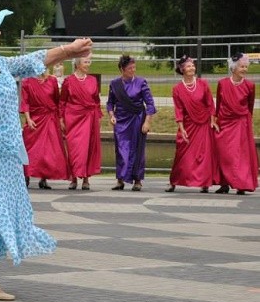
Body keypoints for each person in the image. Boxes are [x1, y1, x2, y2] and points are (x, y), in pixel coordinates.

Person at [0, 5, 92, 301]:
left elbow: (35, 60)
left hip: (6, 152)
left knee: (3, 211)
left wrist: (69, 50)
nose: (2, 31)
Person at [166, 55, 219, 193]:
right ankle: (174, 181)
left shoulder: (203, 83)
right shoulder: (177, 89)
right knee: (182, 154)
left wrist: (213, 120)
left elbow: (210, 103)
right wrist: (181, 127)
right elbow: (178, 109)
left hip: (204, 123)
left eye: (193, 65)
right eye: (189, 66)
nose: (192, 68)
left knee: (204, 154)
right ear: (182, 69)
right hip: (188, 124)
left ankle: (204, 183)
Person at [106, 55, 156, 191]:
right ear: (122, 69)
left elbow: (150, 104)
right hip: (121, 121)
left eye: (134, 67)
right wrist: (111, 116)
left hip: (137, 119)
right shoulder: (114, 84)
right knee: (121, 150)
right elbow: (110, 103)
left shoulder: (141, 82)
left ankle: (137, 180)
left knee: (137, 149)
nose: (133, 70)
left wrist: (147, 122)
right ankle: (120, 180)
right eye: (129, 68)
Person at [214, 53, 257, 195]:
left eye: (246, 67)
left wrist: (247, 122)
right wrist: (215, 119)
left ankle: (241, 184)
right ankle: (224, 183)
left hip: (241, 123)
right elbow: (218, 104)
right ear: (233, 68)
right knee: (224, 154)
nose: (244, 69)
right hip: (224, 122)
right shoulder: (222, 83)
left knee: (240, 155)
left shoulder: (250, 85)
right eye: (241, 66)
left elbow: (250, 106)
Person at [20, 69, 70, 189]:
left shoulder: (52, 80)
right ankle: (26, 175)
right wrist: (28, 119)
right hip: (35, 118)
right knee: (30, 149)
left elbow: (57, 100)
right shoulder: (27, 81)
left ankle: (44, 178)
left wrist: (60, 118)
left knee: (48, 150)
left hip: (50, 118)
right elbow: (25, 102)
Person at [60, 54, 102, 190]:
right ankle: (73, 178)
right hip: (73, 118)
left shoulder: (93, 80)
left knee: (88, 148)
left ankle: (86, 179)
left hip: (90, 118)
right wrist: (61, 118)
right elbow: (62, 101)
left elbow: (96, 100)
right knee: (74, 149)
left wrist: (98, 115)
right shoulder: (68, 81)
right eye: (85, 62)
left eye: (89, 62)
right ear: (77, 64)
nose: (88, 64)